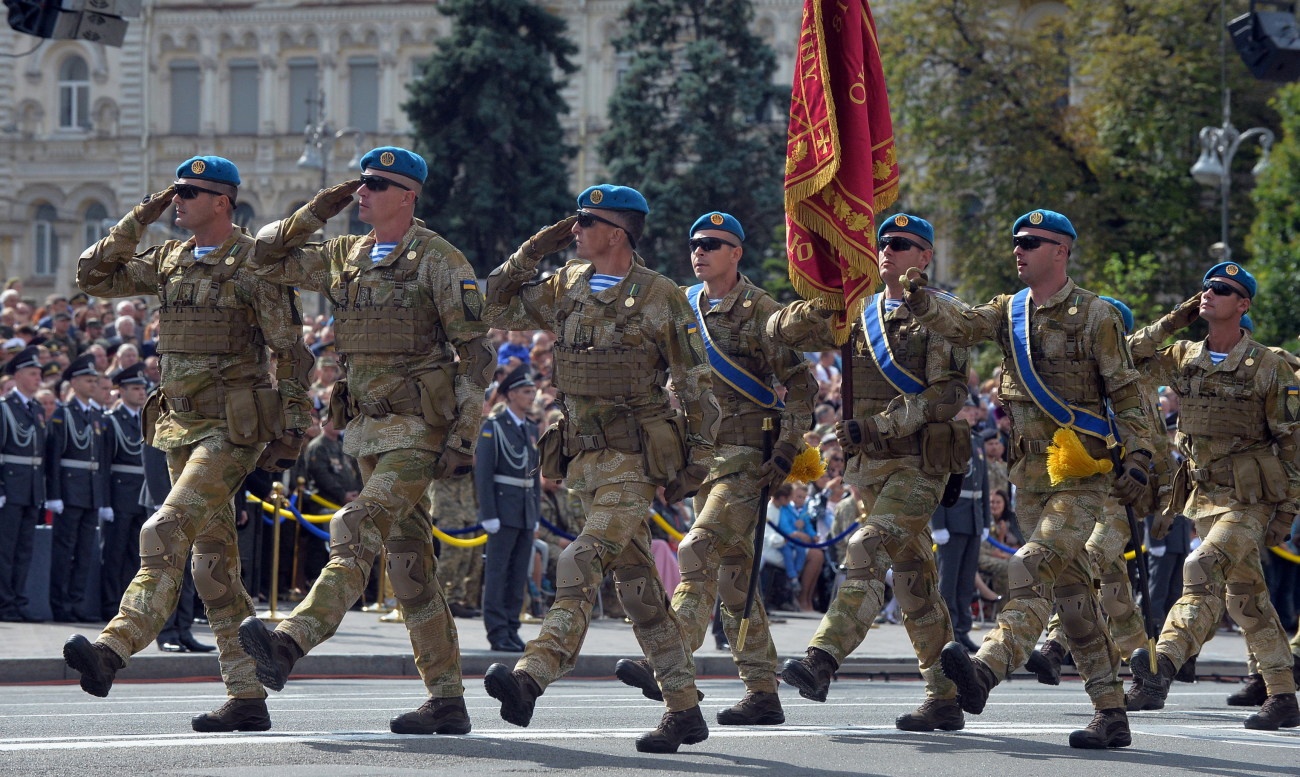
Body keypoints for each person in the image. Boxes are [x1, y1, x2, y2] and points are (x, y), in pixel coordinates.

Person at [238, 147, 493, 735]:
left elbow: (476, 356)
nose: (362, 193)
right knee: (409, 571)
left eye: (376, 184)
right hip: (368, 434)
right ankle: (447, 701)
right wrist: (316, 208)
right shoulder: (345, 255)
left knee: (356, 527)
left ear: (408, 195)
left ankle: (290, 643)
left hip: (418, 433)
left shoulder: (439, 260)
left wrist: (463, 435)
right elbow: (265, 254)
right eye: (360, 184)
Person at [65, 155, 314, 732]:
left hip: (232, 429)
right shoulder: (172, 257)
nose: (179, 200)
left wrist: (293, 425)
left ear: (223, 201)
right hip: (177, 425)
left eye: (191, 192)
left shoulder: (254, 262)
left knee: (164, 528)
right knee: (212, 568)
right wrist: (142, 215)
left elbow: (289, 349)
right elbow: (94, 276)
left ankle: (112, 649)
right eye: (176, 192)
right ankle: (248, 697)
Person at [903, 208, 1160, 749]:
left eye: (1032, 242)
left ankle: (986, 670)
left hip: (1082, 476)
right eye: (1016, 240)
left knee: (1029, 567)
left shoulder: (1096, 316)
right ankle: (1112, 712)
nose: (1019, 249)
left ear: (1061, 251)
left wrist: (1139, 456)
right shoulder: (1008, 310)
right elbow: (962, 323)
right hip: (1030, 477)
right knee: (1072, 599)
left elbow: (1127, 394)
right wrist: (922, 299)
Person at [480, 184, 721, 753]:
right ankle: (684, 711)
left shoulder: (661, 296)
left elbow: (696, 388)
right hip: (584, 462)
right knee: (639, 591)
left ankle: (531, 677)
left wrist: (694, 465)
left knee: (579, 560)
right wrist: (533, 250)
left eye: (586, 221)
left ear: (617, 233)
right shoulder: (566, 285)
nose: (576, 228)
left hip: (634, 463)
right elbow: (490, 301)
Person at [611, 210, 816, 727]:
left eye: (712, 244)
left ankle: (668, 659)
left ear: (736, 253)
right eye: (694, 243)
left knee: (698, 548)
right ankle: (762, 691)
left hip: (749, 460)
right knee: (734, 578)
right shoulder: (683, 305)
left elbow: (801, 386)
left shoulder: (762, 310)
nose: (699, 251)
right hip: (702, 461)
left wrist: (788, 449)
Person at [769, 213, 972, 732]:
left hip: (919, 462)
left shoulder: (943, 314)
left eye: (903, 244)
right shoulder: (858, 311)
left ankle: (822, 659)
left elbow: (946, 394)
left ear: (925, 257)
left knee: (864, 549)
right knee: (913, 584)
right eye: (884, 243)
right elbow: (787, 330)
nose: (889, 250)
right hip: (869, 468)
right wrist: (825, 287)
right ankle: (945, 695)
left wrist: (880, 425)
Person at [1123, 262, 1300, 730]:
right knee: (1246, 598)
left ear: (1243, 305)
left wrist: (1287, 512)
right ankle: (1282, 694)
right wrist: (1172, 320)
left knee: (1199, 570)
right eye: (1205, 288)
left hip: (1250, 499)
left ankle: (1159, 671)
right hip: (1204, 497)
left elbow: (1292, 443)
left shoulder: (1268, 364)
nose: (1209, 294)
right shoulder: (1184, 356)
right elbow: (1126, 357)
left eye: (1222, 290)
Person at [476, 367, 542, 652]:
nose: (531, 396)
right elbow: (484, 473)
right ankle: (497, 631)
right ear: (512, 394)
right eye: (526, 392)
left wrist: (535, 513)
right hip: (503, 510)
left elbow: (534, 474)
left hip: (524, 510)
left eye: (532, 391)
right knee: (498, 573)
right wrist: (488, 513)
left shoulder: (527, 427)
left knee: (517, 575)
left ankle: (512, 628)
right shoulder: (494, 426)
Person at [46, 353, 110, 623]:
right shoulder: (63, 414)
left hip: (91, 491)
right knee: (65, 550)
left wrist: (103, 499)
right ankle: (60, 604)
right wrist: (54, 495)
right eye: (88, 380)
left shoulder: (96, 415)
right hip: (70, 492)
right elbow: (54, 459)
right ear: (73, 383)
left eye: (95, 380)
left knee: (84, 552)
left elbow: (102, 461)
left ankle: (77, 603)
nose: (93, 384)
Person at [933, 398, 991, 653]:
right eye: (966, 408)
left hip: (973, 519)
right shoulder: (946, 439)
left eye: (973, 409)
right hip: (952, 518)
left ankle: (963, 629)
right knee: (949, 580)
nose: (972, 413)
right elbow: (937, 483)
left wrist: (985, 520)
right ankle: (947, 631)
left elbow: (985, 485)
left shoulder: (977, 440)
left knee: (966, 581)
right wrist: (938, 523)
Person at [98, 362, 150, 621]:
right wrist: (104, 502)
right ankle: (109, 604)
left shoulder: (147, 420)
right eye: (135, 388)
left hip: (142, 495)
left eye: (143, 388)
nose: (142, 393)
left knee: (136, 556)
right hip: (119, 496)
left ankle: (128, 606)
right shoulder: (111, 422)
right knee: (114, 553)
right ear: (121, 391)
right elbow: (104, 466)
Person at [0, 347, 48, 622]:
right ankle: (5, 604)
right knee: (5, 551)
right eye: (32, 373)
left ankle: (18, 601)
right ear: (17, 376)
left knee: (24, 551)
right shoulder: (5, 408)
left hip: (31, 490)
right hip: (11, 488)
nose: (37, 379)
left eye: (39, 373)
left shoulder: (37, 409)